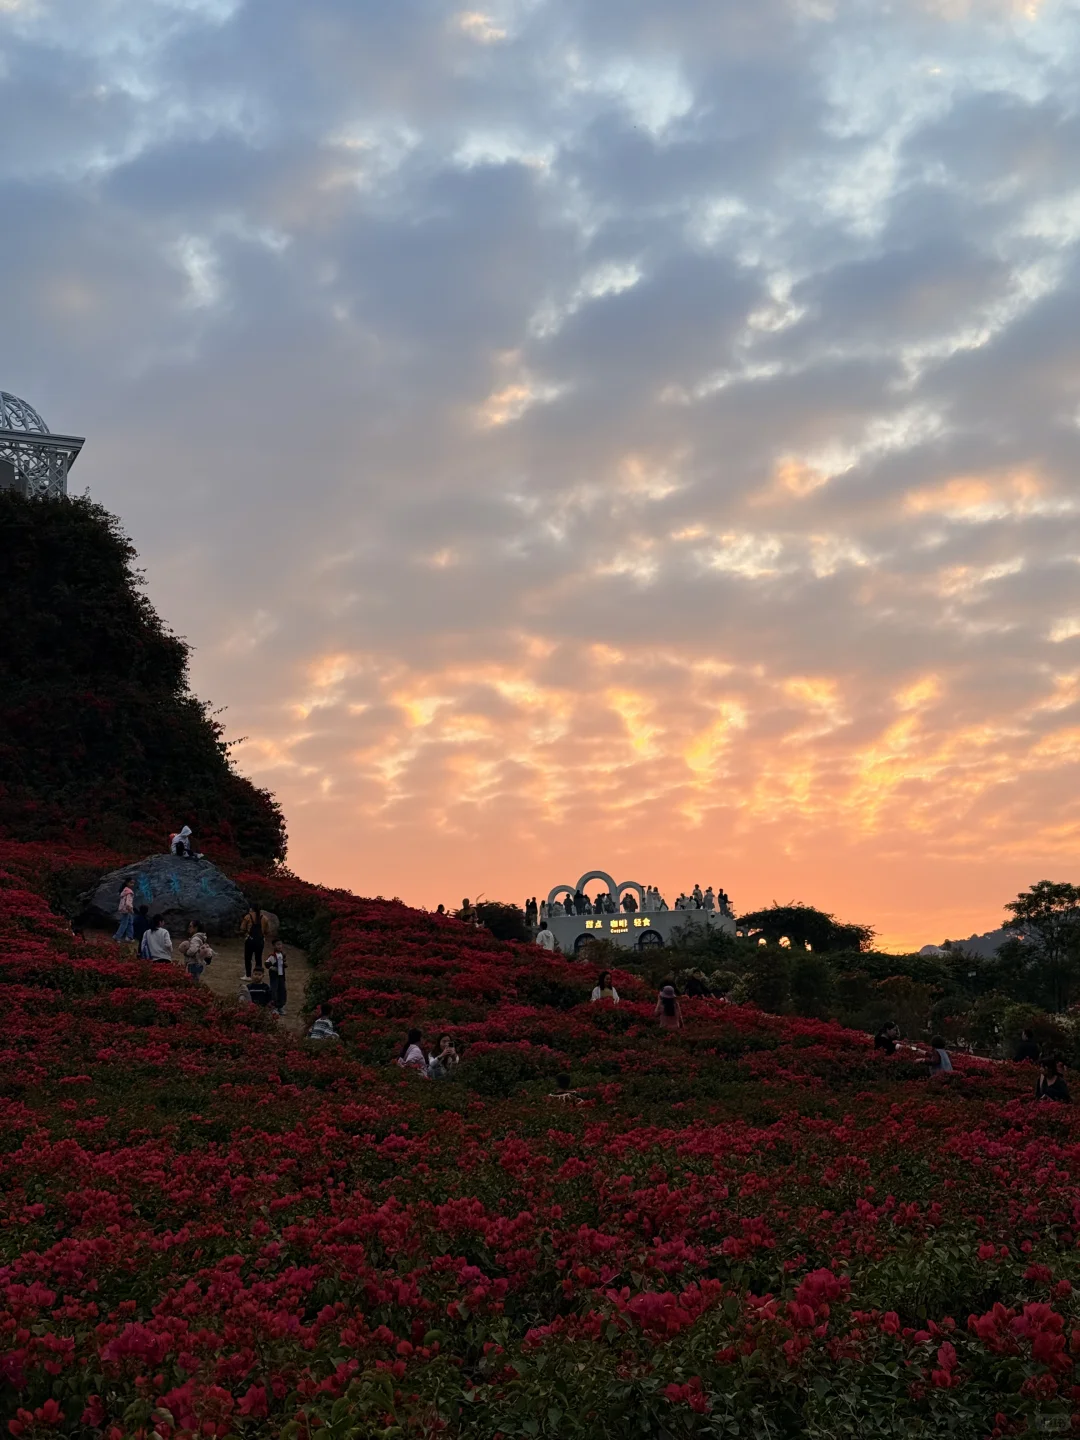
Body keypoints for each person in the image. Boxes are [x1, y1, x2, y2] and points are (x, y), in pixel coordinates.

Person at [241, 905, 269, 978]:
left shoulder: (247, 917)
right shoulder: (265, 918)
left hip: (250, 940)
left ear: (251, 909)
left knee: (248, 958)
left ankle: (248, 975)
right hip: (260, 941)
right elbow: (267, 931)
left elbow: (242, 928)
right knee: (258, 958)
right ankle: (259, 974)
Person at [266, 939, 288, 1013]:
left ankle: (280, 1006)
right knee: (274, 990)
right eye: (277, 944)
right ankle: (274, 1006)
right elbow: (267, 963)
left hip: (281, 976)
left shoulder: (282, 955)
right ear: (274, 946)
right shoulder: (272, 956)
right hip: (274, 977)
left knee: (282, 990)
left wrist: (284, 965)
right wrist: (272, 968)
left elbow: (283, 963)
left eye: (280, 944)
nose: (279, 946)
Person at [113, 877, 135, 942]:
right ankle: (117, 936)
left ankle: (129, 936)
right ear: (127, 883)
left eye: (133, 883)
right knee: (124, 923)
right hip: (127, 910)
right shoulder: (129, 892)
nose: (132, 884)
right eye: (131, 883)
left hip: (123, 909)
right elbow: (128, 903)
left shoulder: (124, 890)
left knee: (130, 922)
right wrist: (131, 910)